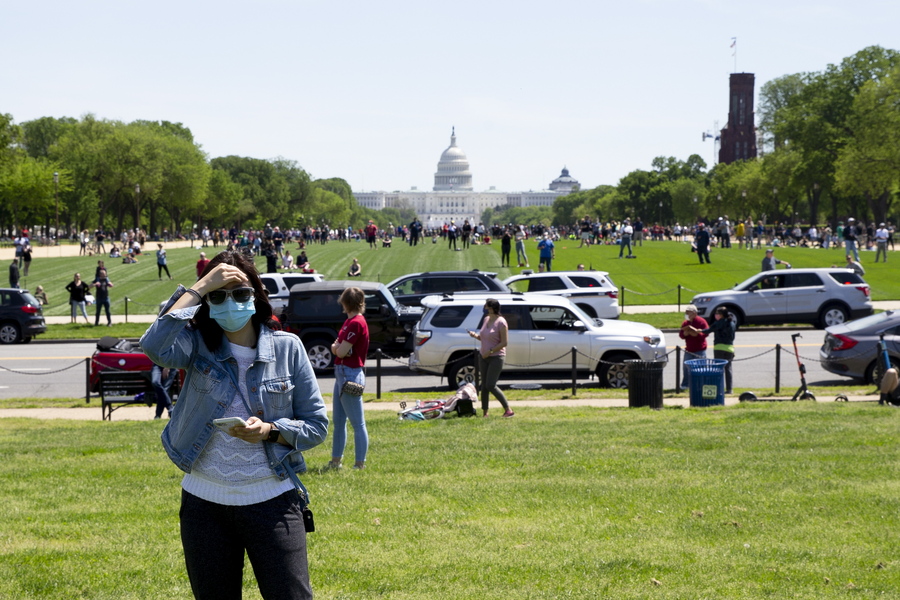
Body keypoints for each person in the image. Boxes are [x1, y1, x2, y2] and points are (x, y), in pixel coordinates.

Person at [140, 250, 328, 600]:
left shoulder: (289, 348)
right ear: (207, 303)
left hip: (272, 499)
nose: (231, 303)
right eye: (219, 295)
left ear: (256, 297)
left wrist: (271, 430)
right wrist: (198, 287)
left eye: (240, 293)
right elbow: (153, 344)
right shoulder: (196, 346)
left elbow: (317, 426)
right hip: (204, 504)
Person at [326, 287, 369, 470]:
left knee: (357, 423)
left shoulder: (355, 323)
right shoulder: (349, 321)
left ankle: (360, 464)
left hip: (349, 374)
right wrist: (337, 347)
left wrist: (336, 348)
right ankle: (336, 461)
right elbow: (339, 348)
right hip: (342, 373)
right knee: (339, 421)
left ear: (345, 302)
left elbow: (340, 350)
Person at [467, 298, 514, 417]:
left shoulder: (501, 322)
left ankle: (508, 410)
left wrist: (491, 351)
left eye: (486, 306)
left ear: (492, 308)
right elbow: (485, 338)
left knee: (491, 384)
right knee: (484, 385)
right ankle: (485, 413)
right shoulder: (486, 319)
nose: (484, 308)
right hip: (483, 356)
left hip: (496, 357)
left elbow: (504, 343)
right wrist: (475, 336)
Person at [692, 307, 737, 394]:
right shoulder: (732, 323)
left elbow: (708, 330)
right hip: (730, 348)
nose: (715, 315)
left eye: (717, 314)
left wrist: (700, 330)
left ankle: (719, 388)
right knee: (728, 369)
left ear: (721, 315)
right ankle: (729, 389)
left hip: (719, 348)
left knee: (718, 369)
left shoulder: (719, 323)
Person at [678, 304, 709, 391]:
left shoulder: (701, 321)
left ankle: (702, 384)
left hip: (700, 350)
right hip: (689, 350)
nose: (687, 314)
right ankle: (685, 384)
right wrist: (685, 334)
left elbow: (706, 333)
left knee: (701, 368)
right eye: (686, 312)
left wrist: (696, 334)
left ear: (694, 313)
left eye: (689, 313)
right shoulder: (685, 323)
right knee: (686, 368)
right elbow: (681, 334)